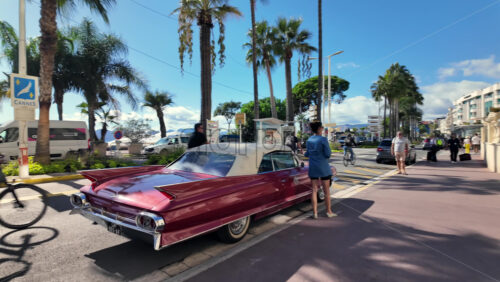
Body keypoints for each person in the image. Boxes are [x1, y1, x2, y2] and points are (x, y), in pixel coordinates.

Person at [305, 121, 336, 219]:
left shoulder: (309, 140)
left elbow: (307, 154)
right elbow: (328, 154)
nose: (322, 128)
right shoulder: (323, 139)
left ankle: (315, 213)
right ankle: (329, 212)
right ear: (319, 129)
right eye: (322, 127)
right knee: (326, 190)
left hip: (313, 167)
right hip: (323, 167)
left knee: (314, 190)